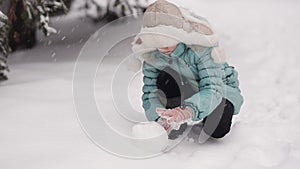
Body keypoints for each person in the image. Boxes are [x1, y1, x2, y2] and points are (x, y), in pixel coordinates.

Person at [131, 0, 244, 140]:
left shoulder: (201, 49)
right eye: (157, 42)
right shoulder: (152, 56)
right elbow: (150, 93)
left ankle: (200, 112)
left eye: (168, 40)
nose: (164, 47)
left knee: (216, 129)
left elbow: (213, 88)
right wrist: (159, 119)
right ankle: (174, 118)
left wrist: (188, 111)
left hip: (219, 91)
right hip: (185, 87)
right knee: (165, 77)